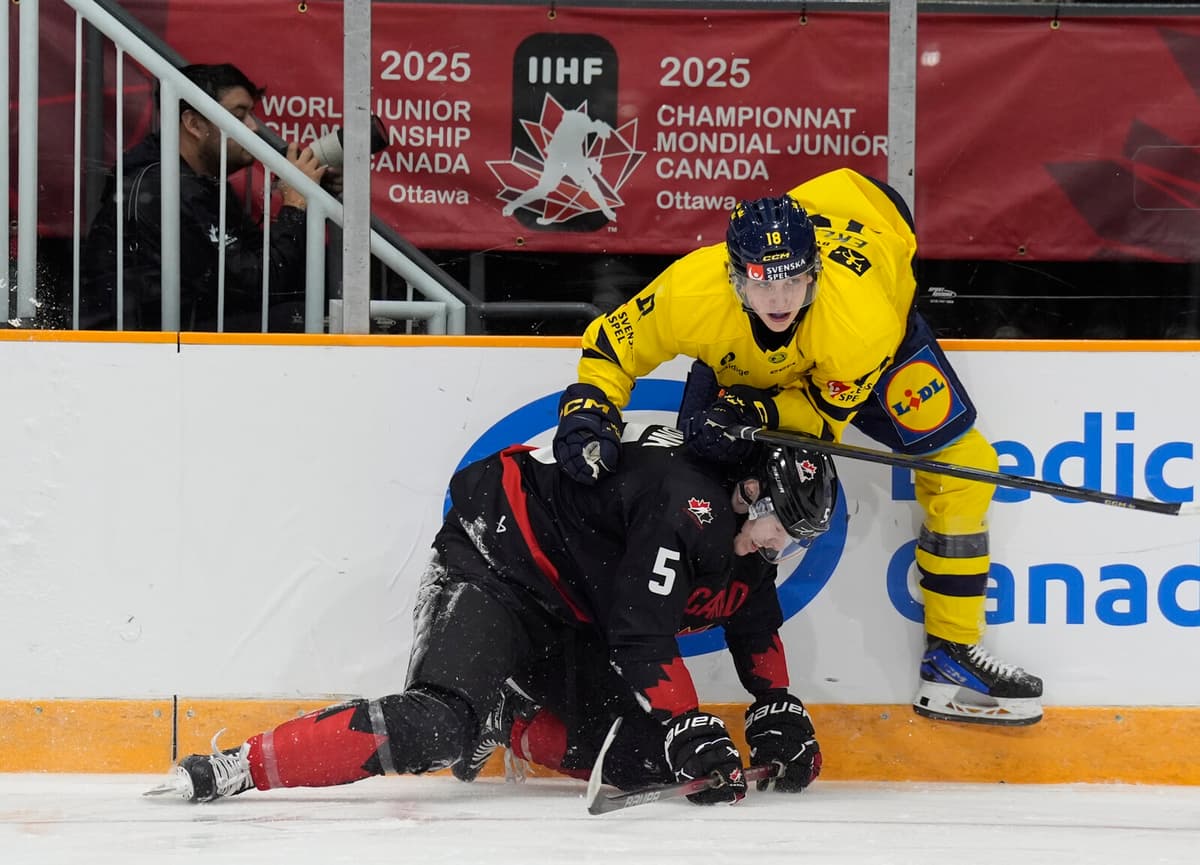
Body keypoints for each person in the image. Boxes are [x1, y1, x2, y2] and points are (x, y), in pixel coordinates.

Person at [552, 167, 1045, 726]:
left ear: (816, 271)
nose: (780, 299)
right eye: (763, 282)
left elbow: (824, 421)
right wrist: (588, 410)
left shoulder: (862, 322)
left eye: (794, 281)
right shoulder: (692, 289)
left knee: (965, 467)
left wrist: (761, 411)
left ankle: (952, 654)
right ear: (733, 276)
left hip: (864, 345)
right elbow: (610, 348)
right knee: (700, 481)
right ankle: (639, 646)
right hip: (787, 300)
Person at [149, 423, 836, 804]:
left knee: (647, 758)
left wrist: (777, 705)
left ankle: (507, 717)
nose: (779, 547)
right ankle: (239, 766)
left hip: (571, 611)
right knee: (439, 724)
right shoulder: (686, 506)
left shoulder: (746, 535)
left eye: (794, 539)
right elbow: (642, 639)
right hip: (498, 565)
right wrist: (689, 719)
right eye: (781, 528)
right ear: (749, 490)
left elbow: (753, 623)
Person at [81, 63, 327, 332]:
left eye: (251, 115)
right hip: (142, 345)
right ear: (194, 124)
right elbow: (257, 284)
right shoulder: (163, 188)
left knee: (302, 313)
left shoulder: (200, 183)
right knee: (296, 318)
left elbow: (265, 266)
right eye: (239, 116)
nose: (253, 128)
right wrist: (295, 206)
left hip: (180, 330)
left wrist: (316, 196)